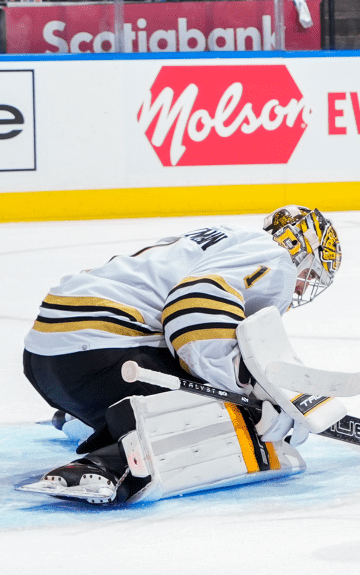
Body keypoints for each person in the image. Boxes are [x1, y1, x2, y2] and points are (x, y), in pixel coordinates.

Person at [21, 207, 343, 505]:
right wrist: (246, 393)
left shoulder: (227, 237)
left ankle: (89, 418)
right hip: (101, 353)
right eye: (310, 276)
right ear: (300, 251)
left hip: (48, 359)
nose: (302, 289)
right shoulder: (276, 258)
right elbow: (193, 310)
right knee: (230, 414)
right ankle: (108, 464)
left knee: (208, 378)